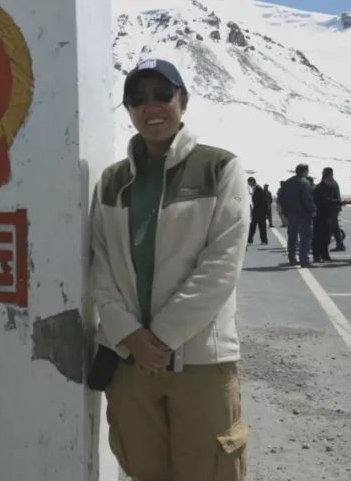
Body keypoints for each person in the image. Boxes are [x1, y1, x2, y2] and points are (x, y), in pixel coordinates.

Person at [89, 58, 250, 481]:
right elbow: (100, 264)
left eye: (163, 94)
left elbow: (222, 263)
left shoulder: (219, 168)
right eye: (137, 99)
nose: (151, 106)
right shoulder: (111, 181)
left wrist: (158, 339)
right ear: (127, 109)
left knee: (209, 471)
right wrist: (128, 334)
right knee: (143, 471)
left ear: (184, 101)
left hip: (198, 361)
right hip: (129, 364)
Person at [278, 164, 316, 267]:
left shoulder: (288, 182)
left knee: (292, 237)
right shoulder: (304, 182)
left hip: (291, 214)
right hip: (303, 214)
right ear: (304, 171)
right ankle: (304, 260)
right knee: (305, 237)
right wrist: (313, 210)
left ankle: (292, 258)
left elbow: (280, 197)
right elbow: (307, 199)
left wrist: (285, 211)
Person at [311, 168, 342, 263]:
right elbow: (325, 201)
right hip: (321, 215)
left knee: (326, 237)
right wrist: (339, 202)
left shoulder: (331, 186)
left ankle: (325, 255)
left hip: (328, 214)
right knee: (319, 237)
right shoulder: (320, 188)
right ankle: (317, 256)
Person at [248, 177, 270, 245]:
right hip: (257, 210)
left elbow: (263, 201)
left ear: (253, 181)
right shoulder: (255, 188)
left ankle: (263, 240)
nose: (249, 184)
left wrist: (265, 212)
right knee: (255, 226)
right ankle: (251, 240)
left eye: (249, 182)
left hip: (260, 211)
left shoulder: (258, 189)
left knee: (259, 226)